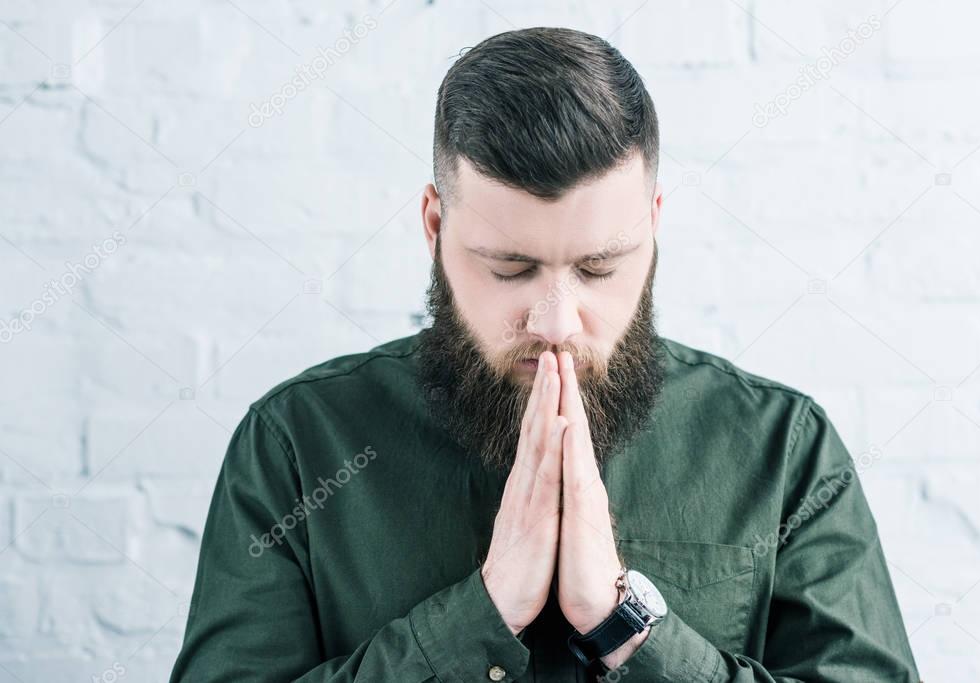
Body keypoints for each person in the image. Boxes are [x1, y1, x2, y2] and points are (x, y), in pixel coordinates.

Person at [170, 26, 920, 682]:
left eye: (598, 268)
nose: (556, 320)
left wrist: (625, 625)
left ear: (652, 226)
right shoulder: (299, 442)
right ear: (434, 226)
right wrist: (481, 613)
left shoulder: (782, 448)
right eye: (509, 268)